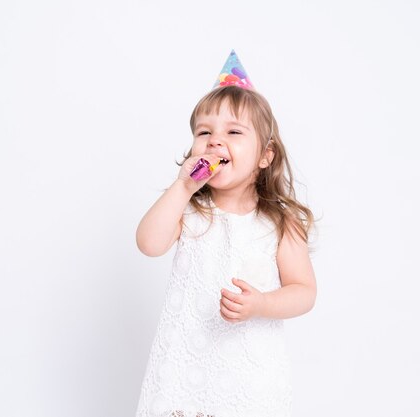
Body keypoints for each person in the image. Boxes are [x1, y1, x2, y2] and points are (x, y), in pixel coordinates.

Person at [134, 50, 317, 417]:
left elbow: (304, 292)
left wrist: (263, 304)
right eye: (205, 132)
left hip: (249, 377)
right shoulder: (189, 210)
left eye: (233, 132)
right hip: (186, 368)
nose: (216, 141)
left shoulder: (277, 222)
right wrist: (183, 187)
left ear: (265, 156)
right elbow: (149, 244)